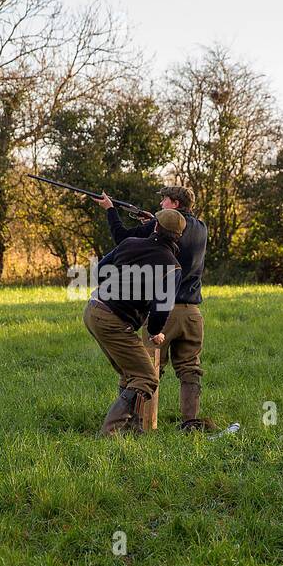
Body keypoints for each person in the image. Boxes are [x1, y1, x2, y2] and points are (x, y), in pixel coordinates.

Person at [93, 185, 213, 431]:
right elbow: (173, 231)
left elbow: (123, 239)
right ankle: (190, 422)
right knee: (190, 368)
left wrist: (110, 210)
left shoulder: (158, 228)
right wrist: (152, 221)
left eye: (165, 201)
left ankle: (139, 425)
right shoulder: (201, 228)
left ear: (175, 205)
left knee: (143, 371)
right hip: (192, 313)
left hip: (164, 311)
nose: (161, 205)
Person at [82, 209, 185, 435]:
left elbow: (100, 272)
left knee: (131, 373)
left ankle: (134, 429)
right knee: (147, 377)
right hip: (112, 321)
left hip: (92, 310)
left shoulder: (130, 243)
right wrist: (155, 332)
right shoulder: (172, 266)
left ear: (155, 227)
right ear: (178, 236)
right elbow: (161, 308)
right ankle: (110, 434)